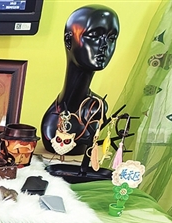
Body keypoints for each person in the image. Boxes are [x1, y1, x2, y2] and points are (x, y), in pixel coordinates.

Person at [41, 5, 120, 156]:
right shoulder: (52, 119)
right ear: (69, 40)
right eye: (94, 36)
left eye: (111, 38)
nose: (104, 46)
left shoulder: (97, 109)